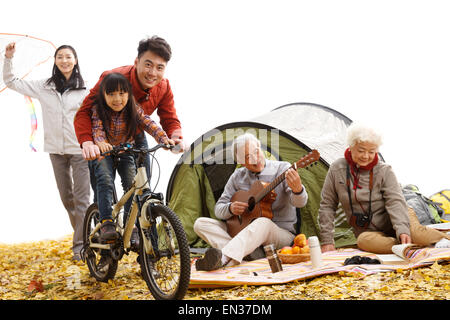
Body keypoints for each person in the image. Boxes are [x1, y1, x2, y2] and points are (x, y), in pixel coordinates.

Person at [3, 43, 90, 261]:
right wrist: (9, 58)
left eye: (68, 57)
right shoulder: (44, 86)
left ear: (75, 60)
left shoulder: (85, 89)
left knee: (82, 200)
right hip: (55, 150)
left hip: (80, 150)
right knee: (66, 198)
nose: (64, 60)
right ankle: (86, 231)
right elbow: (11, 81)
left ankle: (81, 245)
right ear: (55, 60)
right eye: (60, 57)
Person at [319, 123, 450, 254]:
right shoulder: (337, 169)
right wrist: (327, 242)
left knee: (416, 234)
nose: (366, 156)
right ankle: (408, 247)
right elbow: (327, 206)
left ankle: (440, 240)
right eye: (361, 150)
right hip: (369, 230)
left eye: (371, 152)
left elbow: (395, 202)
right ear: (351, 146)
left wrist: (402, 230)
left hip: (399, 216)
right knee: (363, 241)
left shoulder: (384, 170)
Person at [193, 133, 308, 271]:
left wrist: (298, 190)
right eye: (248, 157)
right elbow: (219, 209)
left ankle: (224, 259)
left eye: (256, 151)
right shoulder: (237, 176)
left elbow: (301, 203)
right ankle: (249, 254)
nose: (255, 159)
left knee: (263, 222)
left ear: (260, 147)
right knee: (200, 224)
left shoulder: (282, 169)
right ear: (241, 162)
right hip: (245, 232)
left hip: (280, 234)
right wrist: (230, 208)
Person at [89, 73, 173, 242]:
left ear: (128, 94)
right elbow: (97, 129)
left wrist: (163, 139)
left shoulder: (132, 107)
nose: (117, 99)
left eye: (121, 93)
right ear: (103, 95)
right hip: (104, 152)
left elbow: (148, 123)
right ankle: (106, 222)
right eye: (111, 94)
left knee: (131, 185)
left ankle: (130, 225)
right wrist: (101, 142)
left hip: (126, 151)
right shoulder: (98, 109)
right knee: (105, 181)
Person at [74, 35, 184, 164]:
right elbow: (84, 112)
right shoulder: (111, 79)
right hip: (102, 137)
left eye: (159, 68)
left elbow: (170, 119)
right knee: (104, 181)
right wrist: (87, 142)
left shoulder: (164, 86)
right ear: (136, 62)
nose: (153, 73)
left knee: (144, 179)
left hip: (134, 135)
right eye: (148, 65)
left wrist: (176, 138)